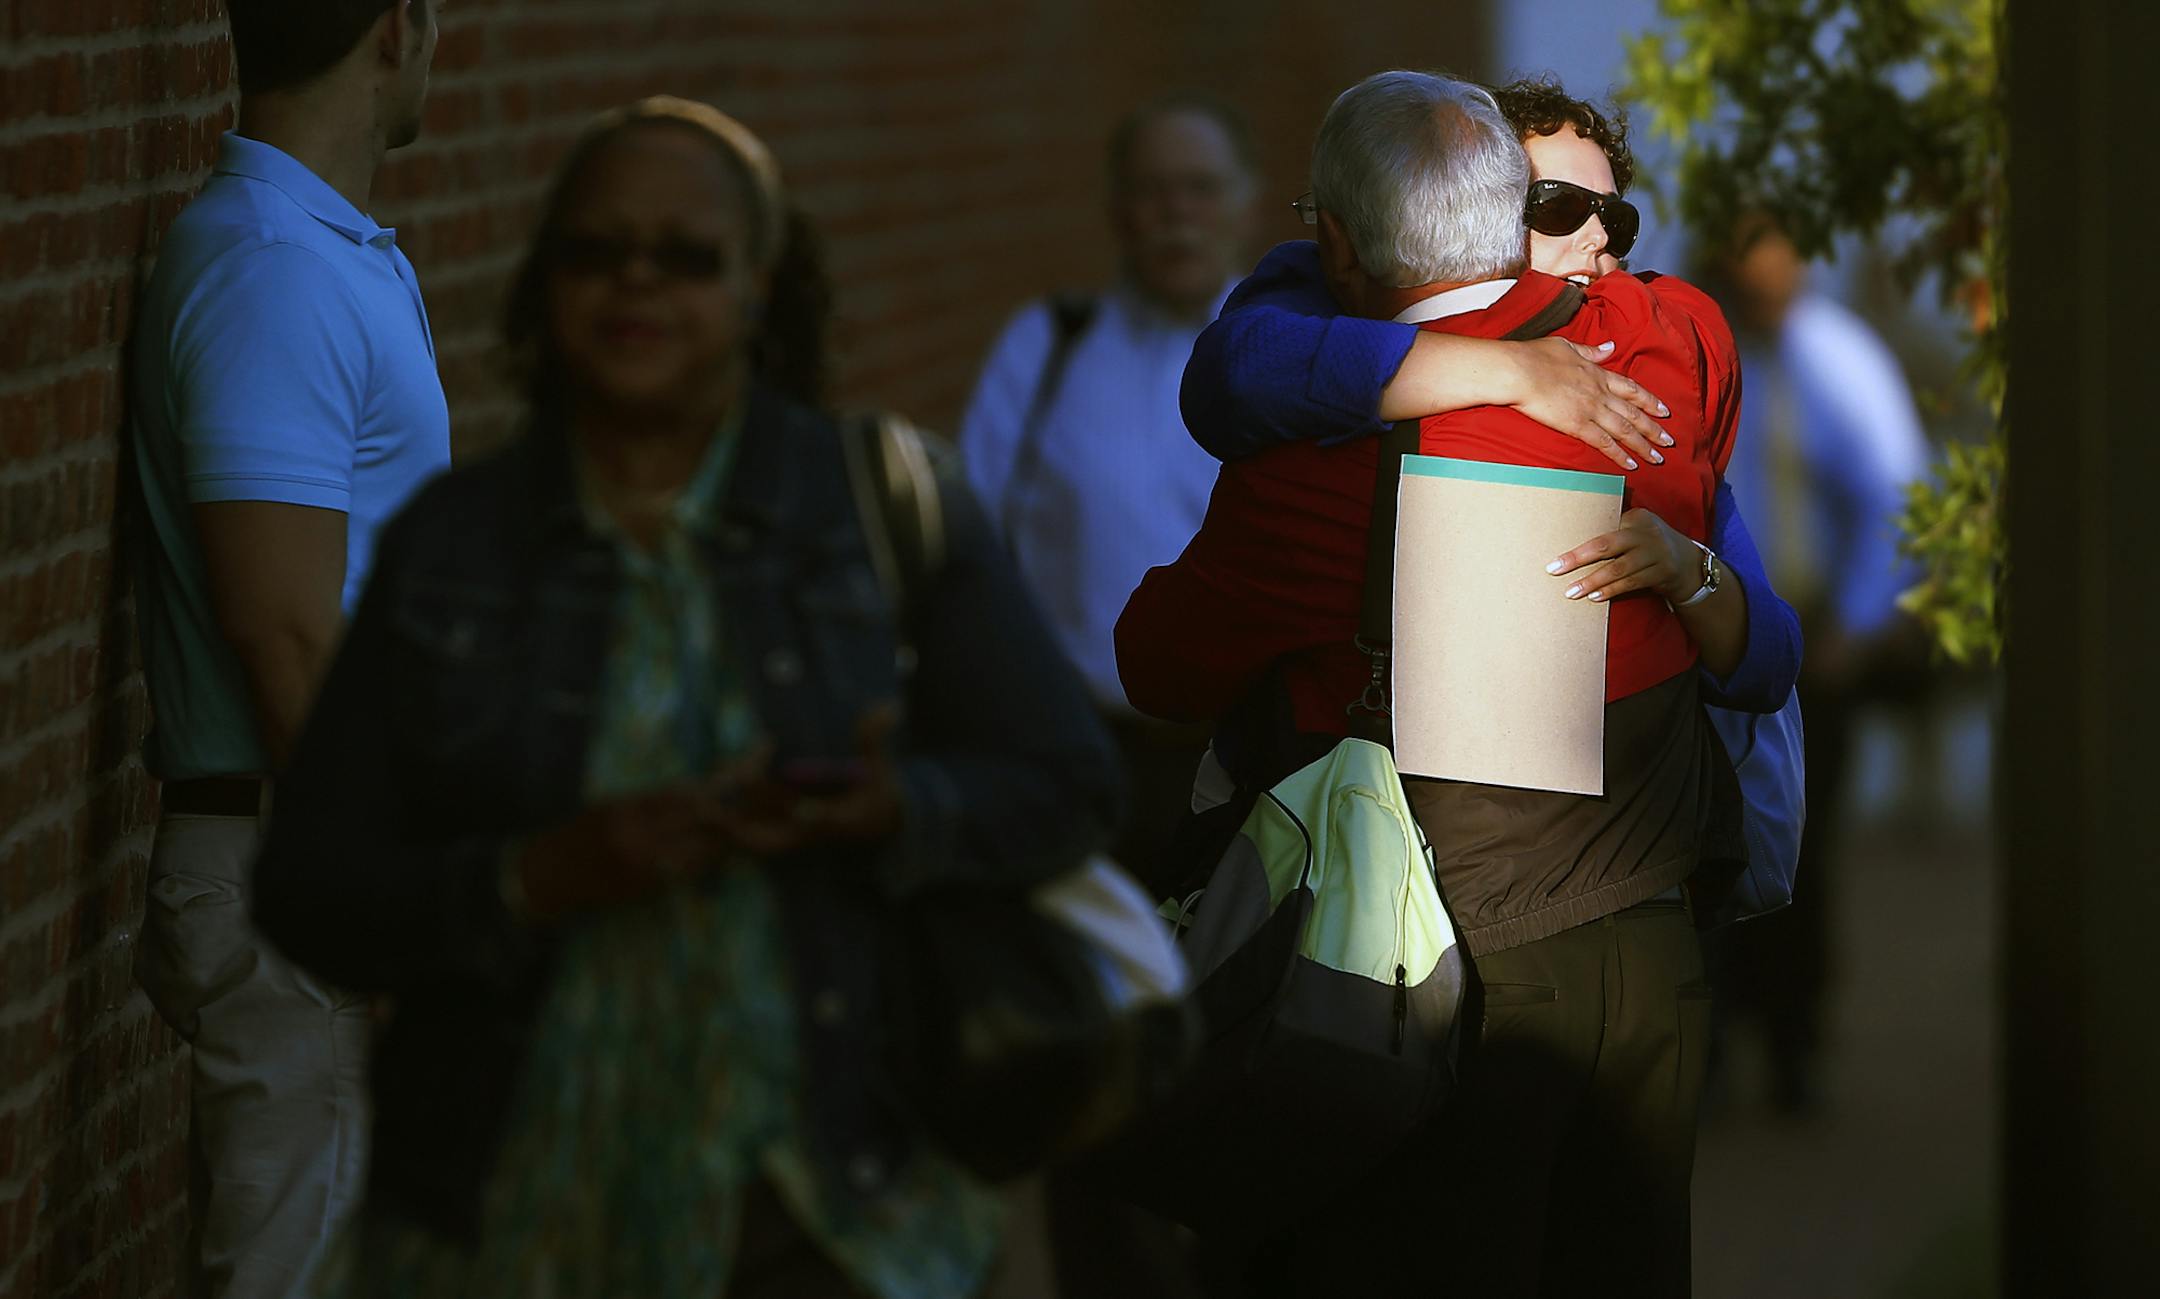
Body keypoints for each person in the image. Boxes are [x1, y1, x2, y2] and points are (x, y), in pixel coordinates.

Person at [249, 97, 1124, 1299]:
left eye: (685, 258)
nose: (635, 286)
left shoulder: (880, 509)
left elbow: (1068, 788)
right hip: (499, 1224)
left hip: (830, 1221)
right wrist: (535, 877)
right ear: (545, 283)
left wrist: (891, 808)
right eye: (596, 252)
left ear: (759, 286)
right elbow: (310, 889)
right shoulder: (455, 548)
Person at [1116, 72, 1773, 1295]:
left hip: (1430, 983)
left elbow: (1154, 661)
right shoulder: (1672, 355)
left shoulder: (1315, 469)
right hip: (1651, 965)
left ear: (1337, 246)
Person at [125, 2, 445, 1294]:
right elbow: (282, 627)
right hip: (293, 879)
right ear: (399, 26)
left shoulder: (333, 253)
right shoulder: (273, 271)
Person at [1177, 74, 1800, 721]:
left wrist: (1687, 570)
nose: (1596, 238)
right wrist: (1509, 369)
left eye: (1616, 218)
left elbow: (1771, 661)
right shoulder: (1335, 285)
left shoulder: (1636, 374)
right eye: (1557, 206)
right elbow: (1234, 372)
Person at [1709, 216, 1930, 1113]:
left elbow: (1895, 492)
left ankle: (1794, 1050)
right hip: (1712, 634)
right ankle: (1713, 1051)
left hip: (1808, 644)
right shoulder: (1700, 351)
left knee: (1799, 852)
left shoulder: (1839, 359)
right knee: (1707, 844)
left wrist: (1859, 622)